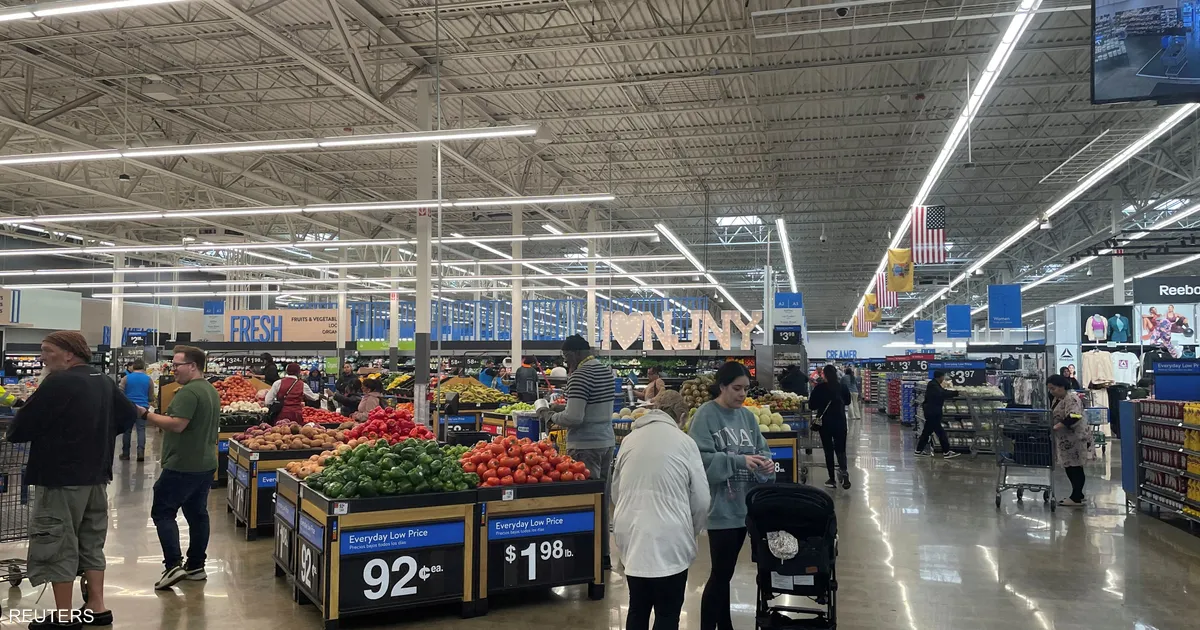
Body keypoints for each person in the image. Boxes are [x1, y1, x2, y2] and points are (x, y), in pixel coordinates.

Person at [7, 331, 135, 628]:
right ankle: (97, 607)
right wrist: (96, 436)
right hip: (96, 477)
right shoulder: (102, 380)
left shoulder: (58, 382)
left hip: (60, 478)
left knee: (57, 541)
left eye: (47, 350)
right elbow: (128, 415)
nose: (42, 357)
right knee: (91, 541)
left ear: (69, 353)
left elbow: (20, 429)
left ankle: (64, 616)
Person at [612, 390, 709, 630]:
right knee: (667, 613)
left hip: (631, 533)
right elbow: (702, 499)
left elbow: (616, 490)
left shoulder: (629, 440)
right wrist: (691, 530)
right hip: (670, 536)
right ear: (682, 416)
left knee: (637, 608)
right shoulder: (685, 443)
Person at [688, 361, 772, 630]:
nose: (742, 394)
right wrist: (738, 461)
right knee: (721, 573)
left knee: (725, 574)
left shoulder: (747, 417)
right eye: (737, 388)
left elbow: (762, 449)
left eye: (746, 388)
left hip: (744, 508)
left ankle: (725, 625)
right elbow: (699, 461)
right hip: (719, 508)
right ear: (722, 386)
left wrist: (766, 464)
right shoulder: (705, 415)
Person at [137, 345, 220, 590]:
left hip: (183, 463)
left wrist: (145, 414)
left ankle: (173, 564)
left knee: (163, 512)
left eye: (176, 365)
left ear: (192, 366)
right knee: (197, 514)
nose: (172, 369)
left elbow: (177, 424)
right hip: (206, 462)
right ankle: (196, 566)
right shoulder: (210, 390)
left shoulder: (188, 392)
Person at [538, 335, 616, 568]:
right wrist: (560, 407)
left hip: (585, 447)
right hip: (606, 442)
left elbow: (574, 418)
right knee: (601, 500)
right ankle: (603, 555)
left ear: (574, 353)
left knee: (584, 503)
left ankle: (585, 557)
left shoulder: (580, 375)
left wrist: (550, 416)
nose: (565, 361)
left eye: (565, 357)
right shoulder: (605, 371)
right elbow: (592, 406)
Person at [1048, 374, 1090, 507]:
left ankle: (1076, 497)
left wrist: (1058, 426)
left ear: (1062, 386)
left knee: (1075, 467)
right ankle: (1078, 494)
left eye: (1053, 388)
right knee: (1070, 466)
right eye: (1050, 389)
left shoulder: (1071, 398)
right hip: (1065, 439)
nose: (1051, 391)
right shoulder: (1058, 399)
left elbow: (1075, 415)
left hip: (1075, 438)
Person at [809, 364, 852, 489]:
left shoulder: (820, 388)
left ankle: (832, 479)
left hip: (825, 423)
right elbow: (848, 401)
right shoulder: (842, 387)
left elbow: (812, 405)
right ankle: (844, 471)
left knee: (828, 450)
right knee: (841, 449)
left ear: (824, 374)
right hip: (840, 421)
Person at [915, 370, 962, 460]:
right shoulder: (933, 385)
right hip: (933, 413)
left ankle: (918, 450)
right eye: (943, 377)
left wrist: (953, 392)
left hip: (931, 412)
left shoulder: (934, 384)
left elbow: (942, 391)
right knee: (940, 432)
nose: (943, 379)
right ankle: (946, 452)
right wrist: (956, 393)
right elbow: (942, 393)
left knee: (927, 432)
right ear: (940, 377)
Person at [119, 358, 154, 462]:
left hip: (128, 407)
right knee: (141, 430)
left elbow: (120, 393)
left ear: (133, 367)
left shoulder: (126, 378)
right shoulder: (148, 379)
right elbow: (151, 397)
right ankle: (140, 453)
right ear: (144, 367)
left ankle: (125, 454)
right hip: (143, 408)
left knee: (127, 431)